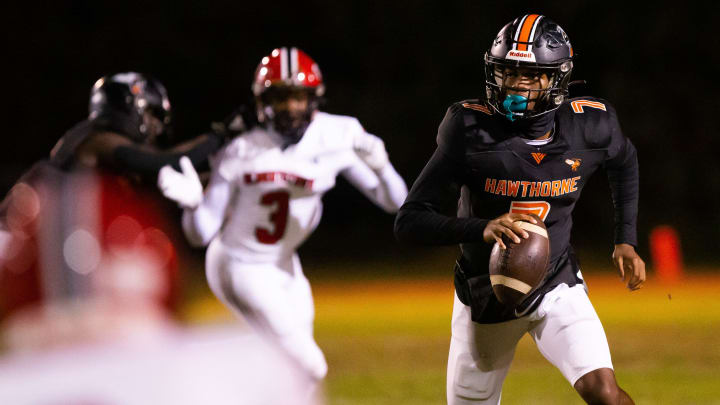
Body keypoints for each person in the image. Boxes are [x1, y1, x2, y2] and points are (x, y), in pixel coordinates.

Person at [394, 15, 645, 405]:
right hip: (485, 292)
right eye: (507, 72)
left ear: (556, 78)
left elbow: (625, 162)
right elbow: (409, 222)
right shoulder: (470, 130)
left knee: (605, 393)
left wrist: (625, 239)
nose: (515, 84)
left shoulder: (591, 125)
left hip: (556, 282)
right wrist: (482, 228)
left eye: (530, 75)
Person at [157, 47, 409, 383]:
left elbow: (396, 202)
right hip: (239, 262)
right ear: (262, 102)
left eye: (297, 98)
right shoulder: (240, 147)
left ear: (314, 99)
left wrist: (383, 166)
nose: (290, 108)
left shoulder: (336, 135)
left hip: (285, 263)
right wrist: (192, 204)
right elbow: (200, 234)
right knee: (310, 366)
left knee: (286, 372)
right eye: (280, 98)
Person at [0, 72, 225, 322]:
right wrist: (218, 140)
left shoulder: (85, 140)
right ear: (129, 108)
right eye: (150, 115)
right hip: (58, 250)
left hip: (40, 236)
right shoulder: (101, 141)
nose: (155, 126)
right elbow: (163, 164)